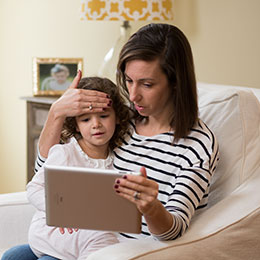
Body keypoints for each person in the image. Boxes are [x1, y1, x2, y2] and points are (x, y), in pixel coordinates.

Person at [2, 22, 219, 259]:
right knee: (14, 256)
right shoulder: (122, 122)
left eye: (147, 84)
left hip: (122, 250)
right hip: (82, 236)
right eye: (128, 80)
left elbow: (173, 230)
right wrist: (57, 112)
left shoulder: (197, 145)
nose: (133, 95)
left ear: (176, 81)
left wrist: (150, 207)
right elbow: (47, 172)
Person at [1, 77, 130, 260]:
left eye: (103, 115)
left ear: (117, 117)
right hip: (52, 237)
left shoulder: (118, 160)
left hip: (81, 246)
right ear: (76, 124)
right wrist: (61, 211)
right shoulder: (65, 154)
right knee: (11, 257)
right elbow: (34, 188)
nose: (96, 124)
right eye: (86, 119)